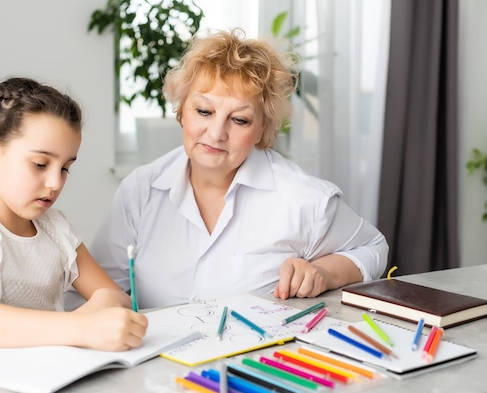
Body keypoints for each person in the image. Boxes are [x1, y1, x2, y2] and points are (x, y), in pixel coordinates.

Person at [90, 29, 389, 309]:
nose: (216, 133)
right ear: (181, 110)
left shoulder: (304, 198)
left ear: (262, 128)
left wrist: (323, 272)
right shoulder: (140, 190)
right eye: (204, 111)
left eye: (240, 120)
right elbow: (97, 287)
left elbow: (374, 248)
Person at [0, 77, 147, 351]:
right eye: (40, 164)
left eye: (65, 168)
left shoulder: (57, 228)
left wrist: (107, 302)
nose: (56, 183)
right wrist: (80, 327)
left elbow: (115, 299)